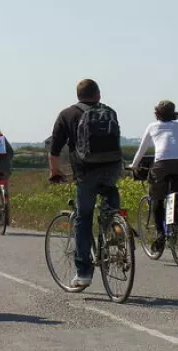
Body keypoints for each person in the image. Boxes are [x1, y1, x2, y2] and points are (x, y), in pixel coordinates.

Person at [48, 78, 123, 288]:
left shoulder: (67, 114)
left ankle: (83, 273)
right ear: (98, 94)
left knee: (84, 218)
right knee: (110, 196)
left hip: (85, 172)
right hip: (112, 167)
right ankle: (117, 227)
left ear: (78, 95)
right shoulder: (109, 111)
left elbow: (54, 149)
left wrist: (55, 172)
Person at [129, 100, 178, 252]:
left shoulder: (152, 126)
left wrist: (134, 165)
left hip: (161, 165)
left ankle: (160, 234)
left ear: (157, 114)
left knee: (157, 199)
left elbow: (142, 149)